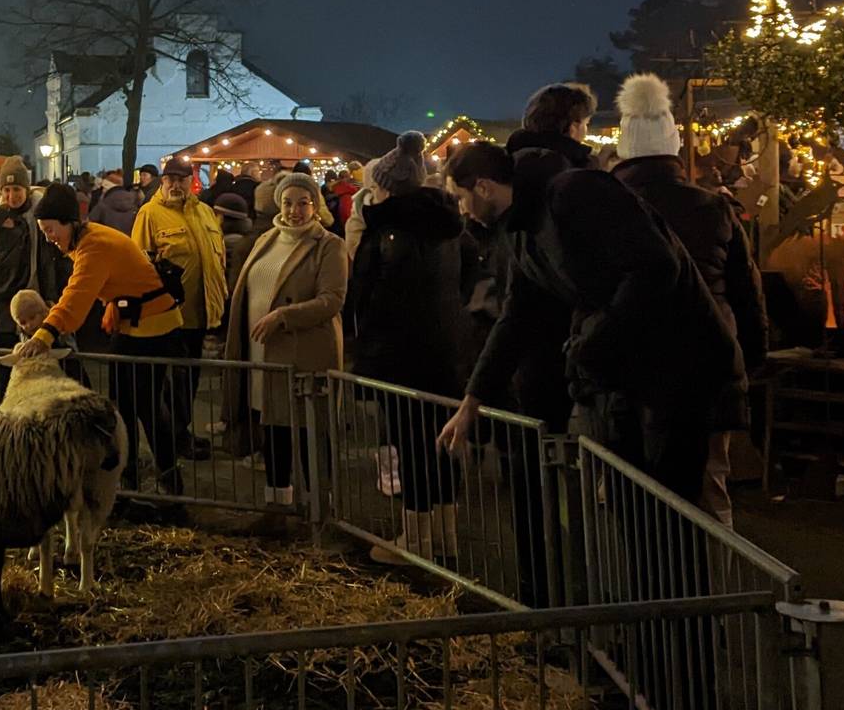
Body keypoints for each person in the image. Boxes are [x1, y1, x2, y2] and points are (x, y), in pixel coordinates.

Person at [438, 140, 739, 506]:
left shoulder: (575, 193)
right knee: (630, 504)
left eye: (460, 197)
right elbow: (517, 316)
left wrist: (594, 339)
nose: (463, 210)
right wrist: (474, 398)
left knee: (670, 507)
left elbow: (657, 266)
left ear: (483, 187)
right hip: (624, 372)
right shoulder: (518, 229)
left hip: (678, 364)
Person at [612, 74, 767, 526]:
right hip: (708, 362)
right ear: (675, 145)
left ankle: (644, 591)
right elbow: (746, 292)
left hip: (628, 370)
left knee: (631, 494)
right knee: (708, 488)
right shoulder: (712, 208)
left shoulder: (607, 210)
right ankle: (717, 590)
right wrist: (747, 359)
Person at [17, 180, 187, 492]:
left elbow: (76, 295)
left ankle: (167, 484)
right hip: (137, 323)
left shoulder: (94, 246)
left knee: (146, 406)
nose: (48, 238)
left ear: (69, 222)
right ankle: (129, 477)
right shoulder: (88, 240)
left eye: (51, 229)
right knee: (124, 404)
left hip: (152, 327)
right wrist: (112, 303)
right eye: (43, 232)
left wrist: (44, 334)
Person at [346, 131, 467, 560]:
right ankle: (444, 537)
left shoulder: (393, 233)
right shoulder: (445, 227)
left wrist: (366, 352)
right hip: (445, 357)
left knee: (413, 447)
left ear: (385, 189)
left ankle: (416, 542)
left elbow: (378, 302)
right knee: (442, 447)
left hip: (402, 361)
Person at [222, 173, 349, 506]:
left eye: (304, 203)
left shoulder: (329, 245)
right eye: (288, 202)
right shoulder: (267, 239)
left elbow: (332, 299)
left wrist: (283, 316)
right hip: (262, 352)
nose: (295, 210)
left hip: (302, 353)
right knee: (273, 428)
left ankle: (321, 507)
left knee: (309, 431)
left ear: (316, 205)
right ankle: (278, 504)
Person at [132, 159, 231, 464]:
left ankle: (181, 432)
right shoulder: (149, 214)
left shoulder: (203, 212)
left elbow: (218, 258)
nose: (175, 185)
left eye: (181, 180)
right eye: (170, 180)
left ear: (192, 181)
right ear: (162, 183)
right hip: (169, 315)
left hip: (200, 313)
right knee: (174, 381)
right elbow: (138, 263)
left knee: (189, 378)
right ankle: (174, 438)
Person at [0, 157, 64, 344]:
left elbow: (46, 261)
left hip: (34, 295)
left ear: (26, 190)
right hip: (1, 303)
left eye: (17, 189)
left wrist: (50, 297)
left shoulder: (41, 218)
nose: (12, 196)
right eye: (7, 190)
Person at [508, 82, 598, 167]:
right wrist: (600, 173)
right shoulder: (574, 166)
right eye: (586, 123)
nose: (586, 129)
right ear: (573, 127)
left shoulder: (507, 160)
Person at [88, 169, 142, 235]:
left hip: (108, 243)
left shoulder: (102, 206)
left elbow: (89, 228)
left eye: (103, 188)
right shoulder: (135, 204)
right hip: (129, 243)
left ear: (107, 187)